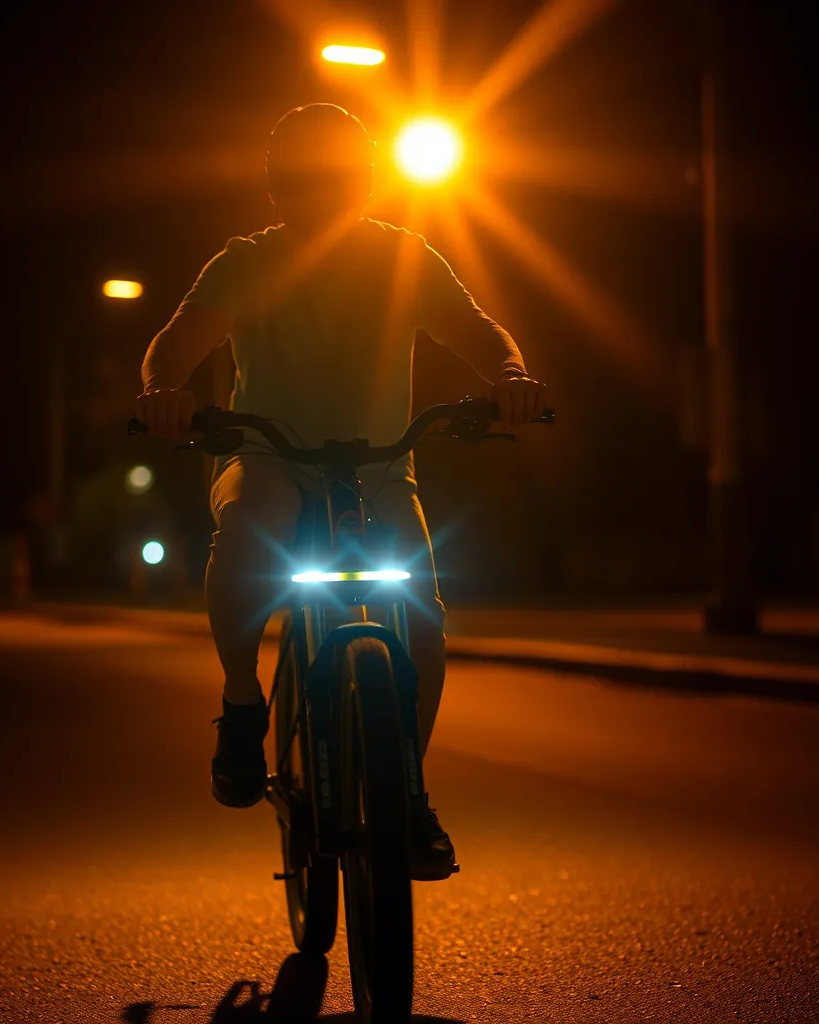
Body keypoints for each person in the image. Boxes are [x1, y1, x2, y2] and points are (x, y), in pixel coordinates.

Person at [135, 103, 548, 882]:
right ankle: (243, 701)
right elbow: (178, 340)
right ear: (276, 188)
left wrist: (510, 376)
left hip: (381, 469)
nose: (318, 191)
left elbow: (476, 327)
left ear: (362, 180)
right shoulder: (247, 262)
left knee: (423, 627)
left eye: (334, 174)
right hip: (269, 459)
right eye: (300, 177)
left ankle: (408, 793)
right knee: (254, 528)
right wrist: (163, 390)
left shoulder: (405, 257)